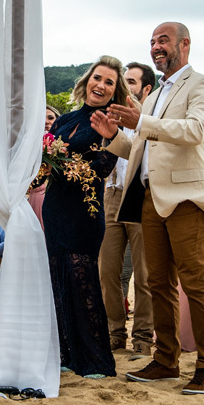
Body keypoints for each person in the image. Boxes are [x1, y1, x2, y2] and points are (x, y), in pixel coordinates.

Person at [93, 22, 204, 395]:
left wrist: (143, 122)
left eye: (163, 40)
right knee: (158, 283)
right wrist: (114, 138)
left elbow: (198, 130)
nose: (156, 46)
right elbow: (141, 148)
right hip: (150, 197)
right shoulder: (153, 98)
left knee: (196, 283)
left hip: (187, 197)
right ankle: (166, 360)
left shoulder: (203, 83)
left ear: (184, 44)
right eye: (152, 41)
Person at [44, 56, 129, 379]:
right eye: (98, 78)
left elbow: (104, 168)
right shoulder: (63, 120)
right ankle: (68, 355)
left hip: (85, 210)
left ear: (114, 92)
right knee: (60, 282)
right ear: (87, 81)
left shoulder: (111, 128)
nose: (101, 85)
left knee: (84, 284)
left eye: (109, 82)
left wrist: (70, 170)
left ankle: (97, 362)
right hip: (55, 208)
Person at [100, 61, 155, 356]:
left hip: (142, 196)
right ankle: (115, 333)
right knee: (107, 271)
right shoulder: (110, 117)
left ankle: (144, 338)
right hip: (110, 194)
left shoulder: (153, 119)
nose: (125, 87)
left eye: (131, 82)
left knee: (145, 275)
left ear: (146, 89)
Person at [30, 105, 61, 228]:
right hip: (37, 197)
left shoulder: (65, 145)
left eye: (50, 117)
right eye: (42, 118)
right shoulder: (31, 145)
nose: (46, 122)